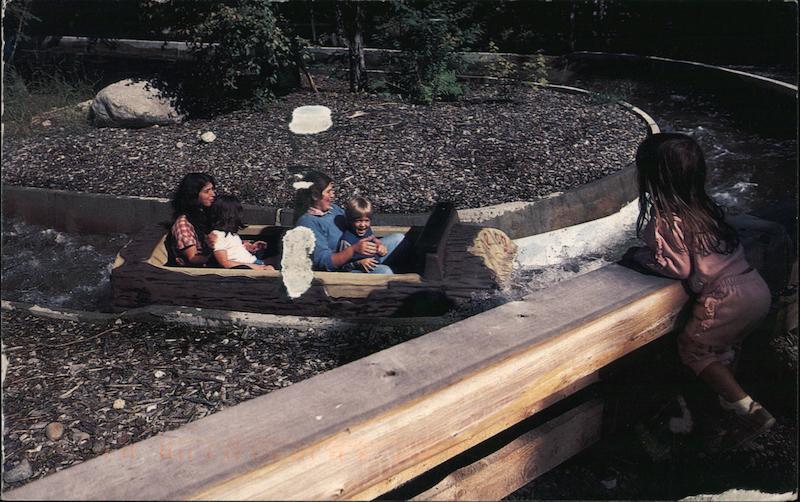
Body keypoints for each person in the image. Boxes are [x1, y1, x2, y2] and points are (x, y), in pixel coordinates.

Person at [622, 132, 774, 450]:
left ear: (651, 176)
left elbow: (679, 269)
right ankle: (722, 417)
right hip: (755, 287)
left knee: (693, 351)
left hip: (726, 297)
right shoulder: (704, 209)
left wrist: (640, 257)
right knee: (721, 351)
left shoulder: (667, 221)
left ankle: (750, 410)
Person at [292, 170, 405, 273]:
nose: (332, 195)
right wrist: (353, 250)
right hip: (344, 269)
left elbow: (359, 226)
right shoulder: (308, 223)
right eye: (328, 192)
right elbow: (324, 263)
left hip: (360, 253)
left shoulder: (333, 209)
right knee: (385, 272)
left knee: (398, 239)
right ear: (315, 195)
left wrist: (378, 243)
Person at [208, 195, 274, 270]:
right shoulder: (217, 235)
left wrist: (250, 247)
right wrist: (260, 268)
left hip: (254, 262)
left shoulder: (230, 234)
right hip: (251, 266)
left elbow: (234, 251)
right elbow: (225, 262)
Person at [170, 172, 217, 266]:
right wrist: (214, 250)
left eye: (212, 190)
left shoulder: (204, 216)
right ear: (194, 195)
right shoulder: (183, 224)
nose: (213, 194)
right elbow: (193, 258)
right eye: (207, 191)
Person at [338, 197, 392, 273]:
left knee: (399, 237)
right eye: (358, 221)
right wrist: (358, 263)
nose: (363, 225)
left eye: (366, 221)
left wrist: (379, 245)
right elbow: (342, 266)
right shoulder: (346, 240)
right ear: (350, 221)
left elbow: (373, 238)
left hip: (374, 259)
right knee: (386, 271)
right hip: (358, 270)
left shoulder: (367, 229)